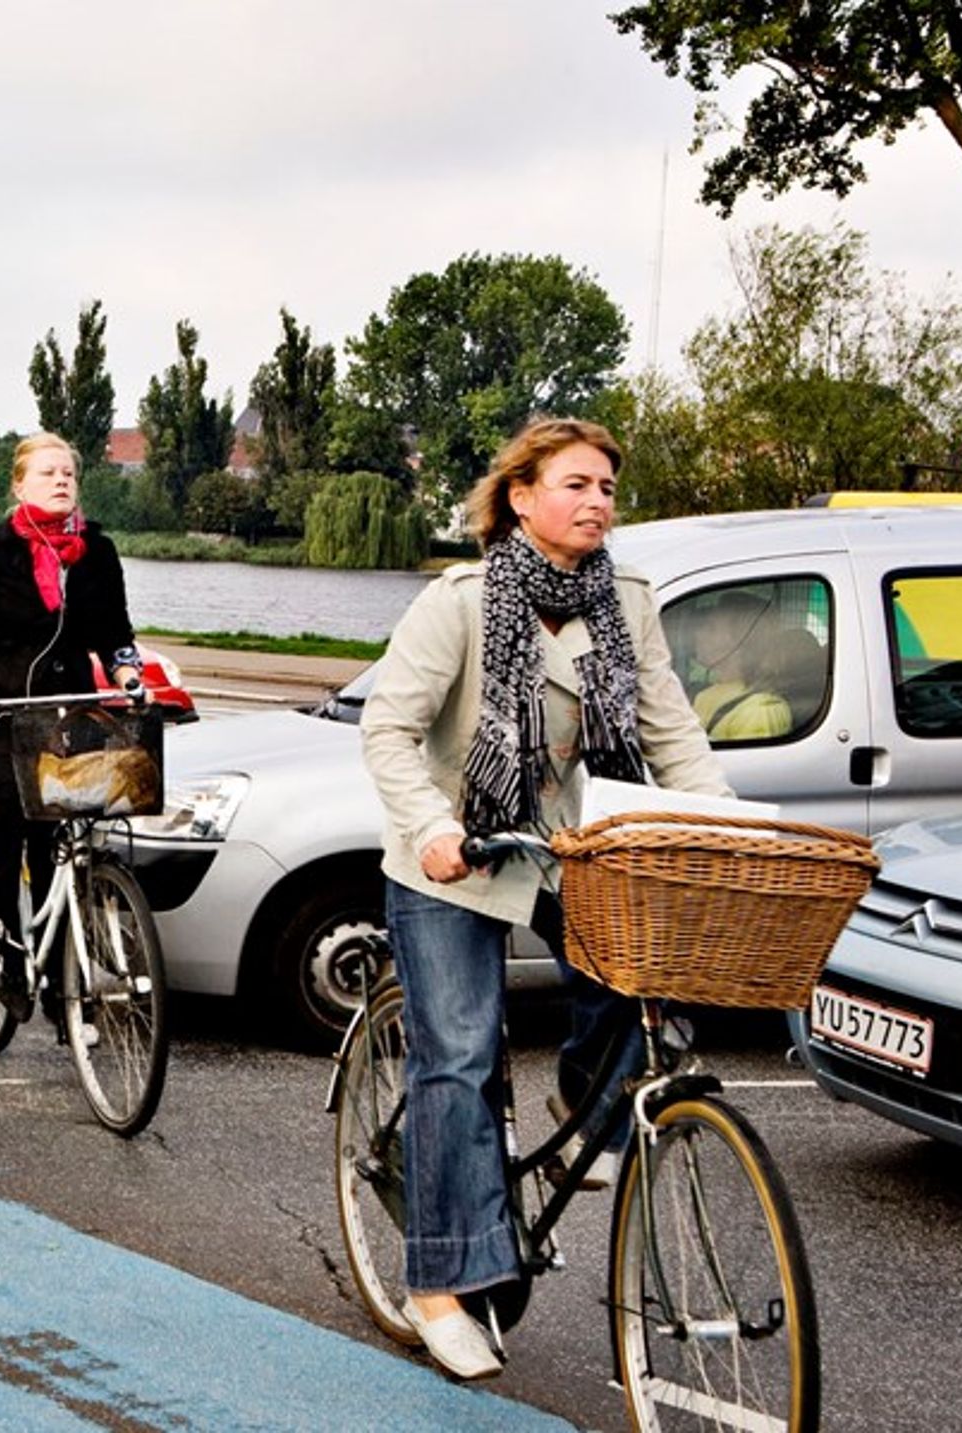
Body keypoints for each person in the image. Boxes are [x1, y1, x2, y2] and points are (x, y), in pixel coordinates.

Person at [359, 416, 730, 1382]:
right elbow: (387, 728)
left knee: (642, 987)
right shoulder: (463, 601)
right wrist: (432, 825)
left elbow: (669, 730)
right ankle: (439, 1286)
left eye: (607, 486)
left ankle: (581, 1103)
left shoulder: (625, 602)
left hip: (570, 845)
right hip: (458, 850)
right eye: (576, 484)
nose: (598, 500)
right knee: (460, 1054)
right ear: (521, 498)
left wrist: (728, 823)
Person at [0, 433, 145, 1027]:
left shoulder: (98, 551)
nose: (62, 481)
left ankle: (63, 988)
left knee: (65, 830)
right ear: (19, 485)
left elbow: (115, 629)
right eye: (48, 473)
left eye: (68, 472)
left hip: (69, 702)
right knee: (13, 794)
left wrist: (126, 672)